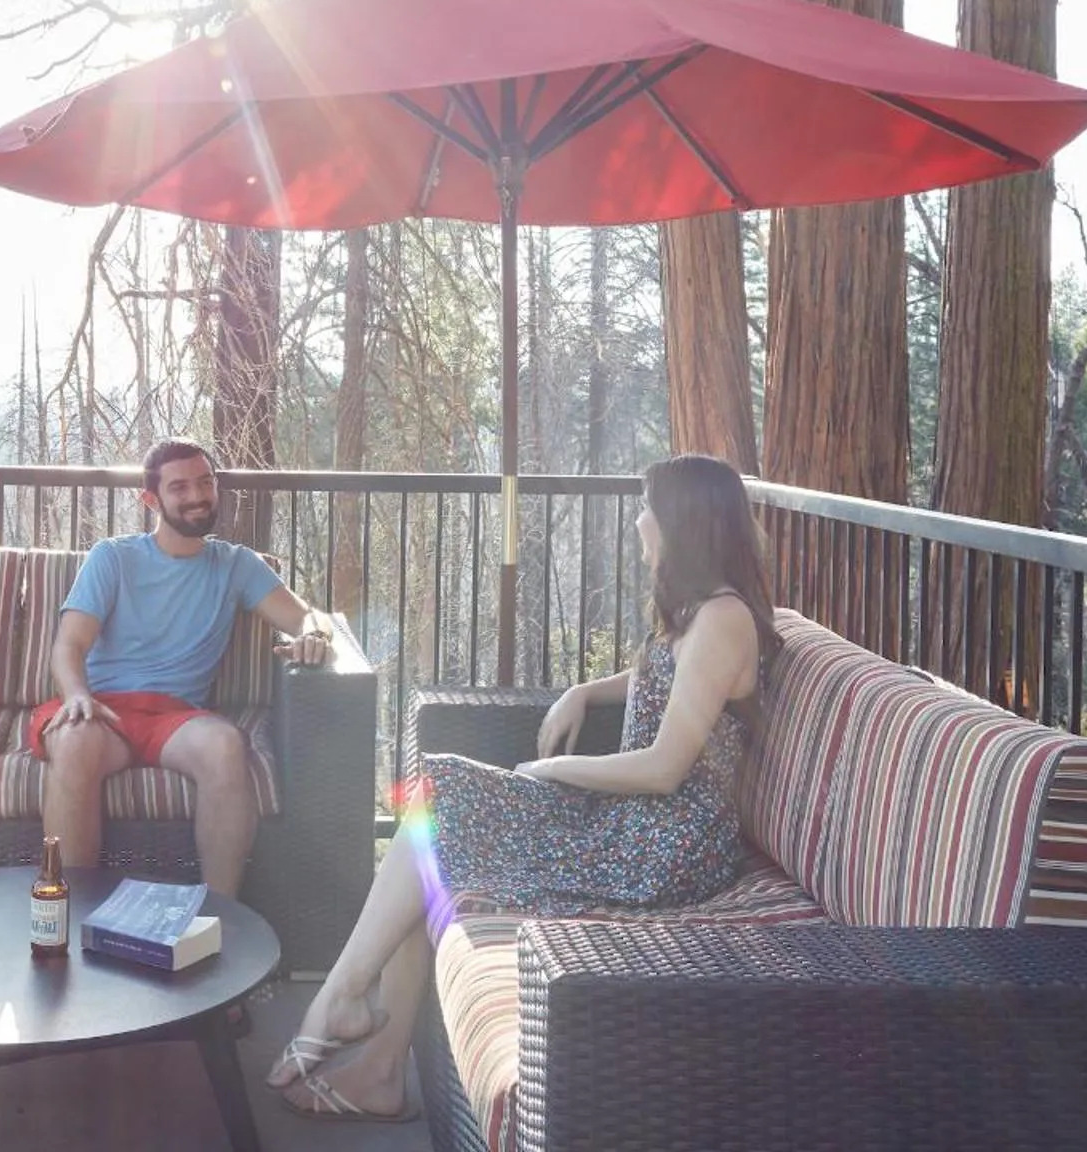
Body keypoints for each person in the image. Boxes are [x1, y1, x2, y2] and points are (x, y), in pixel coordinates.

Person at [266, 452, 776, 1124]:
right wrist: (583, 689)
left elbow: (664, 769)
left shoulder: (723, 618)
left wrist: (551, 771)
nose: (639, 522)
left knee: (440, 803)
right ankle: (376, 1056)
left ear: (684, 521)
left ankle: (343, 1003)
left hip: (666, 846)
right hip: (637, 822)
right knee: (434, 824)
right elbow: (678, 679)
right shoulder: (702, 614)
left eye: (648, 508)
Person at [32, 437, 337, 899]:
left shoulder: (237, 565)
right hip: (104, 711)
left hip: (176, 718)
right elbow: (69, 644)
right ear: (150, 499)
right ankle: (70, 913)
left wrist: (314, 634)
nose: (197, 496)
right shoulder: (112, 557)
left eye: (205, 482)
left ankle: (221, 914)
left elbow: (305, 616)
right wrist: (77, 695)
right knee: (73, 740)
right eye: (179, 488)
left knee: (223, 743)